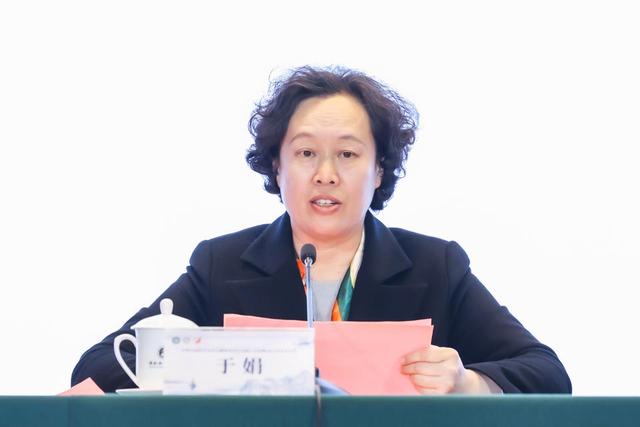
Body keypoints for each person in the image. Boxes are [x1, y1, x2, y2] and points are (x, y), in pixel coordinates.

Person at [71, 66, 572, 394]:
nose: (326, 174)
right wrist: (201, 365)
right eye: (306, 152)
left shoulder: (435, 267)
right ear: (277, 166)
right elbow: (96, 366)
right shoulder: (220, 265)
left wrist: (468, 383)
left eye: (348, 154)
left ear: (379, 171)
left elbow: (547, 372)